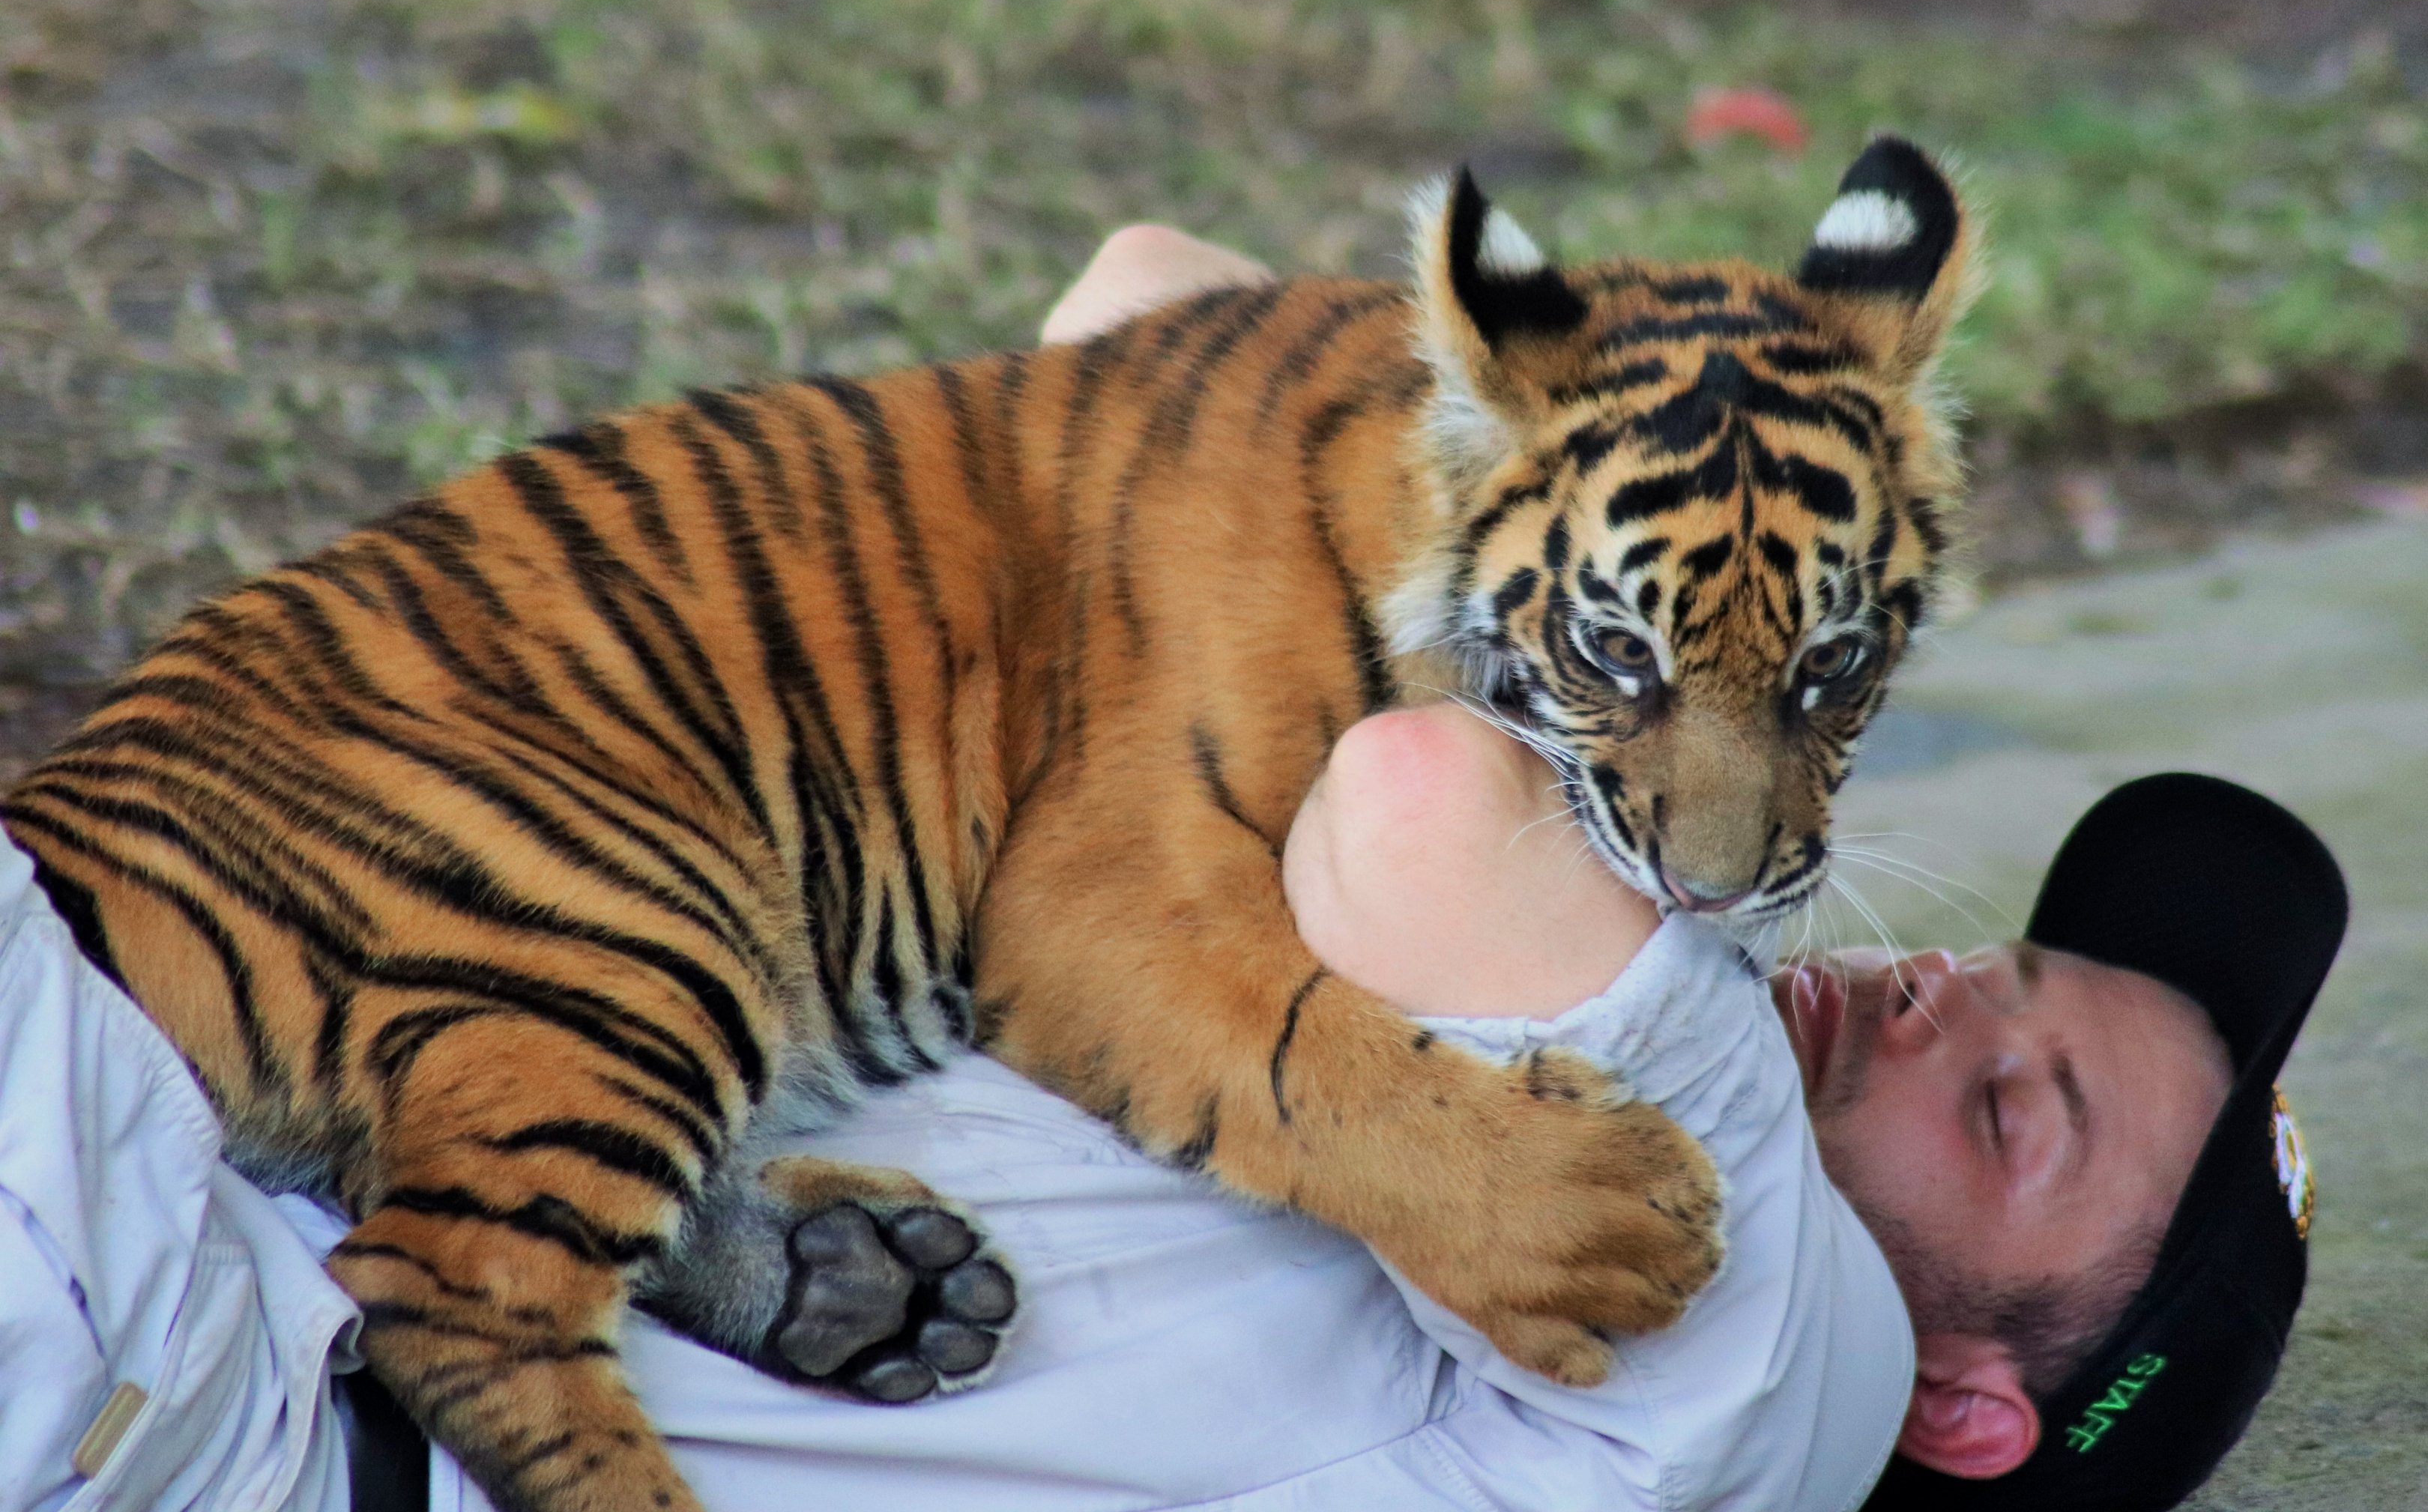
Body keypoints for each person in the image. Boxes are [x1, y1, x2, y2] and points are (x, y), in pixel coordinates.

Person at [0, 235, 2346, 1512]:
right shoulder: (1515, 932)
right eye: (1996, 961)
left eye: (2010, 1107)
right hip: (179, 1114)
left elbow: (1418, 795)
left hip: (142, 1306)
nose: (1929, 988)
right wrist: (1557, 426)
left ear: (1971, 1411)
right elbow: (1132, 300)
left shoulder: (1790, 1359)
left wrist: (1519, 494)